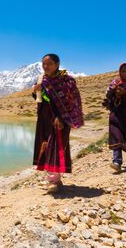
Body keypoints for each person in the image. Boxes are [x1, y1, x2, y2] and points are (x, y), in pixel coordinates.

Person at [32, 54, 84, 193]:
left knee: (56, 145)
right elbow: (42, 100)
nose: (45, 67)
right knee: (46, 145)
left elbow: (71, 102)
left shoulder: (67, 82)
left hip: (61, 119)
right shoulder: (43, 80)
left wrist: (60, 117)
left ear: (57, 64)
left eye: (49, 64)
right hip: (45, 119)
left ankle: (52, 179)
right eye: (43, 64)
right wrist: (36, 91)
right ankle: (55, 178)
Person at [104, 62, 126, 172]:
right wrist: (114, 91)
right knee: (116, 134)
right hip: (117, 113)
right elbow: (108, 95)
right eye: (123, 71)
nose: (125, 73)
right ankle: (117, 162)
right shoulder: (116, 81)